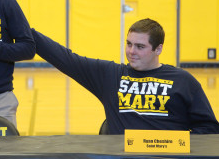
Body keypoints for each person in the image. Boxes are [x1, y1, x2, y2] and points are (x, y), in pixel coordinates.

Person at [31, 18, 219, 134]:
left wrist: (177, 144)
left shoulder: (183, 81)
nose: (131, 51)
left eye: (140, 46)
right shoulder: (111, 75)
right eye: (128, 44)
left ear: (158, 48)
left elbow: (209, 129)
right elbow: (67, 59)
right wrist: (25, 32)